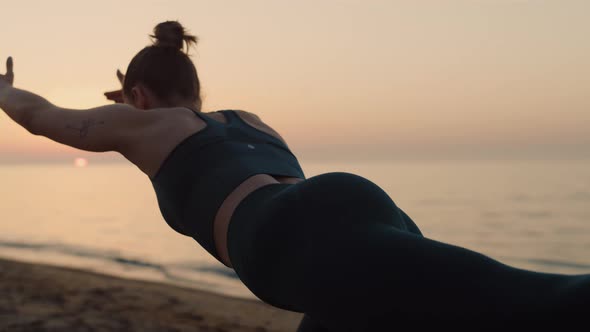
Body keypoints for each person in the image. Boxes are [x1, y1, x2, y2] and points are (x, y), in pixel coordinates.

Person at [1, 21, 588, 331]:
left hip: (294, 240)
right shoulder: (250, 121)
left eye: (128, 101)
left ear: (137, 94)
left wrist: (4, 91)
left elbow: (39, 117)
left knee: (540, 307)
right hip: (344, 206)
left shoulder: (144, 125)